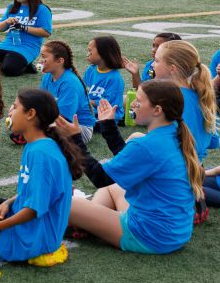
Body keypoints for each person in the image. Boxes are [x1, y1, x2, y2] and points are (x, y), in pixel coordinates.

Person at [65, 81, 205, 254]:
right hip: (175, 232)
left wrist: (75, 140)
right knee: (111, 187)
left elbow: (99, 177)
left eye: (138, 100)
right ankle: (88, 225)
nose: (132, 104)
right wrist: (108, 125)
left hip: (150, 235)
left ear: (157, 110)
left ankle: (87, 223)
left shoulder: (149, 145)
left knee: (66, 203)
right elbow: (130, 161)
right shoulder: (175, 130)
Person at [0, 88, 82, 263]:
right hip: (26, 217)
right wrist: (8, 202)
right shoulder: (35, 145)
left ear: (31, 114)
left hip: (35, 238)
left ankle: (6, 239)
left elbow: (34, 210)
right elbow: (35, 191)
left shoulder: (42, 154)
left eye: (15, 107)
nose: (10, 112)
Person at [37, 41, 95, 144]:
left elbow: (63, 119)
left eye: (44, 57)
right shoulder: (48, 76)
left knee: (41, 129)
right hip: (56, 120)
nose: (40, 61)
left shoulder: (70, 83)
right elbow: (40, 101)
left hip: (78, 128)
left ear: (59, 61)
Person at [0, 0, 52, 76]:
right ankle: (12, 60)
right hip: (7, 44)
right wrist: (7, 22)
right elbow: (0, 29)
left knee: (9, 69)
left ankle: (26, 65)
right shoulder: (12, 7)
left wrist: (23, 27)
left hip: (27, 47)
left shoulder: (42, 9)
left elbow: (46, 32)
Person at [84, 36, 127, 123]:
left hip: (108, 115)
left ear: (102, 53)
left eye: (90, 51)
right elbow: (83, 90)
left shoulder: (115, 79)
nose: (88, 54)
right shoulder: (90, 70)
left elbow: (109, 104)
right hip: (91, 110)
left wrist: (90, 102)